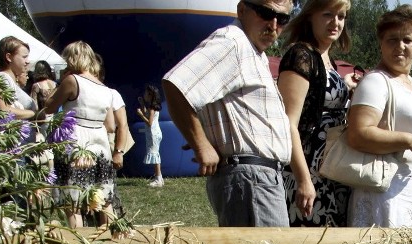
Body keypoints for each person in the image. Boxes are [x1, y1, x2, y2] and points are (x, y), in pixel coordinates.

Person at [163, 0, 293, 227]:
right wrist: (201, 144)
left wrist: (204, 133)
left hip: (256, 178)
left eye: (282, 19)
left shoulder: (251, 51)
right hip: (252, 180)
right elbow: (176, 86)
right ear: (242, 9)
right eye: (265, 13)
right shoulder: (233, 42)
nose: (273, 25)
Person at [345, 4, 412, 228]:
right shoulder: (377, 81)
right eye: (392, 40)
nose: (400, 46)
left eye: (407, 40)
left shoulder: (409, 83)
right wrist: (409, 140)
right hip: (388, 194)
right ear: (381, 43)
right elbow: (358, 134)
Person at [277, 0, 353, 226]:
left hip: (331, 172)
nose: (336, 22)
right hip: (308, 172)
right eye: (328, 15)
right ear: (310, 16)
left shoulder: (327, 60)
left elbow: (322, 99)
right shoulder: (301, 56)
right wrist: (303, 180)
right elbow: (288, 124)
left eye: (341, 16)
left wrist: (346, 87)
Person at [37, 40, 118, 228]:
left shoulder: (72, 81)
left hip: (75, 143)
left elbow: (49, 107)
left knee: (72, 201)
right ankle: (110, 243)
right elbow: (111, 125)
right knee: (104, 197)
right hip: (101, 144)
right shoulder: (104, 88)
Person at [0, 37, 36, 121]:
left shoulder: (10, 80)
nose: (28, 61)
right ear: (9, 57)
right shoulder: (1, 78)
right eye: (24, 57)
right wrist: (33, 113)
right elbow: (4, 110)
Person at [137, 84, 164, 187]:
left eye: (146, 93)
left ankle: (158, 179)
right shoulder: (152, 107)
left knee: (155, 155)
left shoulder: (152, 108)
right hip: (154, 133)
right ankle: (159, 178)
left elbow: (149, 122)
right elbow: (146, 114)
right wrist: (142, 104)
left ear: (150, 94)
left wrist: (140, 115)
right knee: (155, 154)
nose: (144, 94)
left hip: (153, 133)